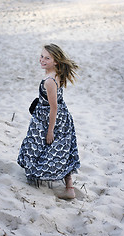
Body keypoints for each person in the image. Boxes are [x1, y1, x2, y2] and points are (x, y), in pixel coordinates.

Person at [17, 43, 80, 199]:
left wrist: (50, 130)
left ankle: (38, 177)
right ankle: (69, 186)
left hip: (50, 119)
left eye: (47, 58)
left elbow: (53, 107)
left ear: (56, 61)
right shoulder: (57, 73)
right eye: (41, 56)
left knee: (39, 143)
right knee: (63, 148)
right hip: (62, 117)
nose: (42, 60)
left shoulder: (49, 81)